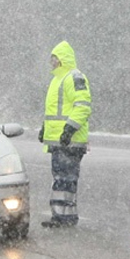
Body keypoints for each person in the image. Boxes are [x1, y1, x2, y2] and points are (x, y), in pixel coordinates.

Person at [38, 41, 92, 228]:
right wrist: (45, 128)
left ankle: (64, 218)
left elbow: (83, 106)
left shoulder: (74, 77)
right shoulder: (57, 80)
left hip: (70, 141)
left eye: (54, 59)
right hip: (60, 142)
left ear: (62, 59)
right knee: (61, 180)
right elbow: (54, 110)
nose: (51, 63)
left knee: (65, 180)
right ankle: (62, 216)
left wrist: (69, 129)